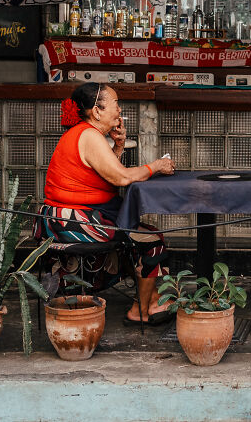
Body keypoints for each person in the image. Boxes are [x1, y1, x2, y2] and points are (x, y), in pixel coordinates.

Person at [33, 82, 176, 325]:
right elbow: (120, 178)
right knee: (153, 240)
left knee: (141, 237)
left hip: (71, 216)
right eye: (115, 104)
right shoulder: (88, 135)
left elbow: (106, 177)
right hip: (72, 220)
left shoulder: (88, 134)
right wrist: (157, 166)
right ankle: (141, 310)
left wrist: (118, 145)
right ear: (97, 111)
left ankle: (150, 300)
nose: (119, 110)